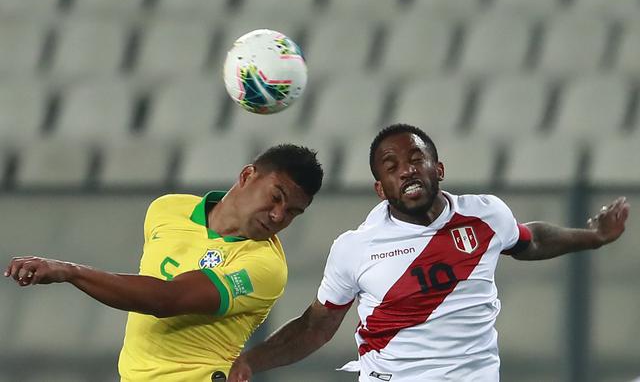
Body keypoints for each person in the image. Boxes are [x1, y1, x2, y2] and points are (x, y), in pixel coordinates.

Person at [227, 123, 631, 382]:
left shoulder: (485, 215)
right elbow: (316, 326)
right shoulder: (356, 247)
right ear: (380, 189)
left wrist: (592, 236)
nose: (406, 169)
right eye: (391, 165)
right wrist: (250, 362)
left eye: (416, 158)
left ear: (438, 169)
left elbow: (530, 240)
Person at [4, 143, 323, 382]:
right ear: (246, 176)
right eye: (276, 197)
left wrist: (70, 272)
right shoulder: (167, 210)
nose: (279, 215)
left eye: (294, 212)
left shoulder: (265, 266)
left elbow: (166, 299)